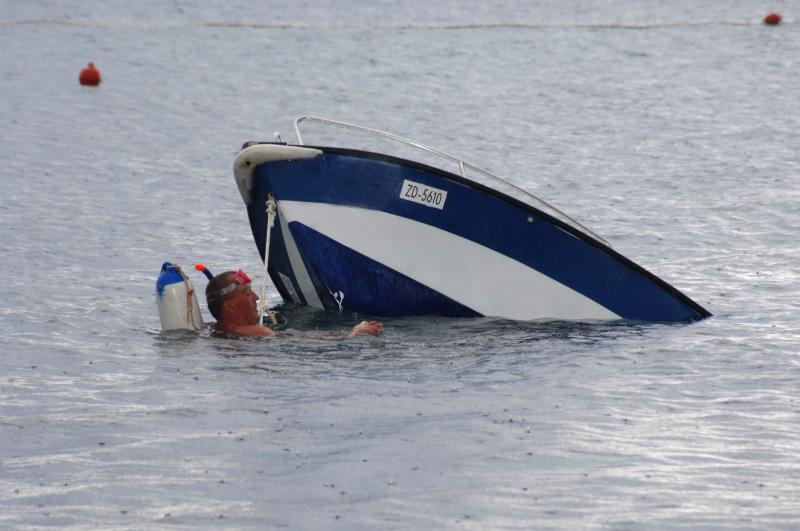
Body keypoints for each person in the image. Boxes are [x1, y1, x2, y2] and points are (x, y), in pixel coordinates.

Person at [203, 268, 383, 338]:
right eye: (248, 293)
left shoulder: (215, 330)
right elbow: (303, 342)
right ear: (230, 306)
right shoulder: (256, 332)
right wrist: (353, 334)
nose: (256, 298)